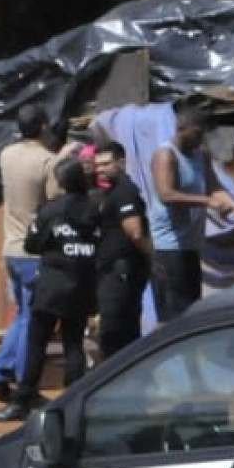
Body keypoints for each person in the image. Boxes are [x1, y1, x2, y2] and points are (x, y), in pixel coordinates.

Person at [0, 159, 99, 424]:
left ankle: (22, 400)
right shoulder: (96, 209)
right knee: (73, 344)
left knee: (37, 342)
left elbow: (32, 245)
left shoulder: (52, 210)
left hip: (52, 285)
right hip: (83, 284)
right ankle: (74, 402)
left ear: (61, 183)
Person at [146, 103, 234, 322]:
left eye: (203, 135)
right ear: (182, 128)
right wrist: (207, 202)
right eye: (196, 133)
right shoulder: (166, 155)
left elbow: (215, 188)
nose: (200, 139)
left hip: (191, 245)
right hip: (168, 247)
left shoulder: (200, 155)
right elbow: (166, 194)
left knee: (191, 313)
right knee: (172, 318)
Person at [0, 111, 64, 401]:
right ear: (44, 126)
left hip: (11, 249)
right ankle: (22, 381)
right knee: (34, 319)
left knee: (23, 315)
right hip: (35, 252)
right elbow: (55, 204)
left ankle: (1, 373)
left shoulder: (6, 155)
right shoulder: (47, 161)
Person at [88, 137, 152, 358]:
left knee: (115, 331)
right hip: (114, 270)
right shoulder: (112, 192)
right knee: (121, 329)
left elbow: (135, 231)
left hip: (121, 271)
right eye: (97, 165)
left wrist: (152, 257)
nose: (100, 170)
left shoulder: (125, 191)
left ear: (122, 163)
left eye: (106, 164)